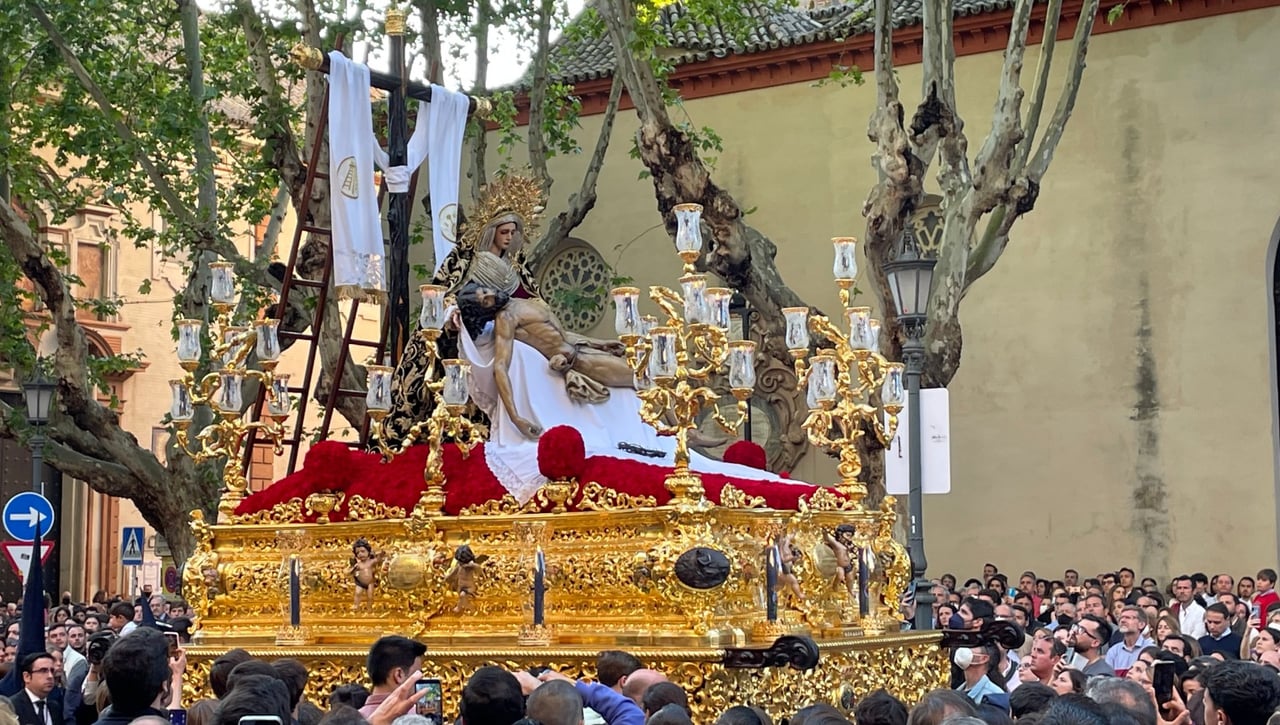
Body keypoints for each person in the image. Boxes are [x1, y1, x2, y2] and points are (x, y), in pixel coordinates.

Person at [359, 637, 427, 719]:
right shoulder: (418, 718)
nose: (421, 680)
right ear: (399, 675)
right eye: (417, 674)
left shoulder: (349, 719)